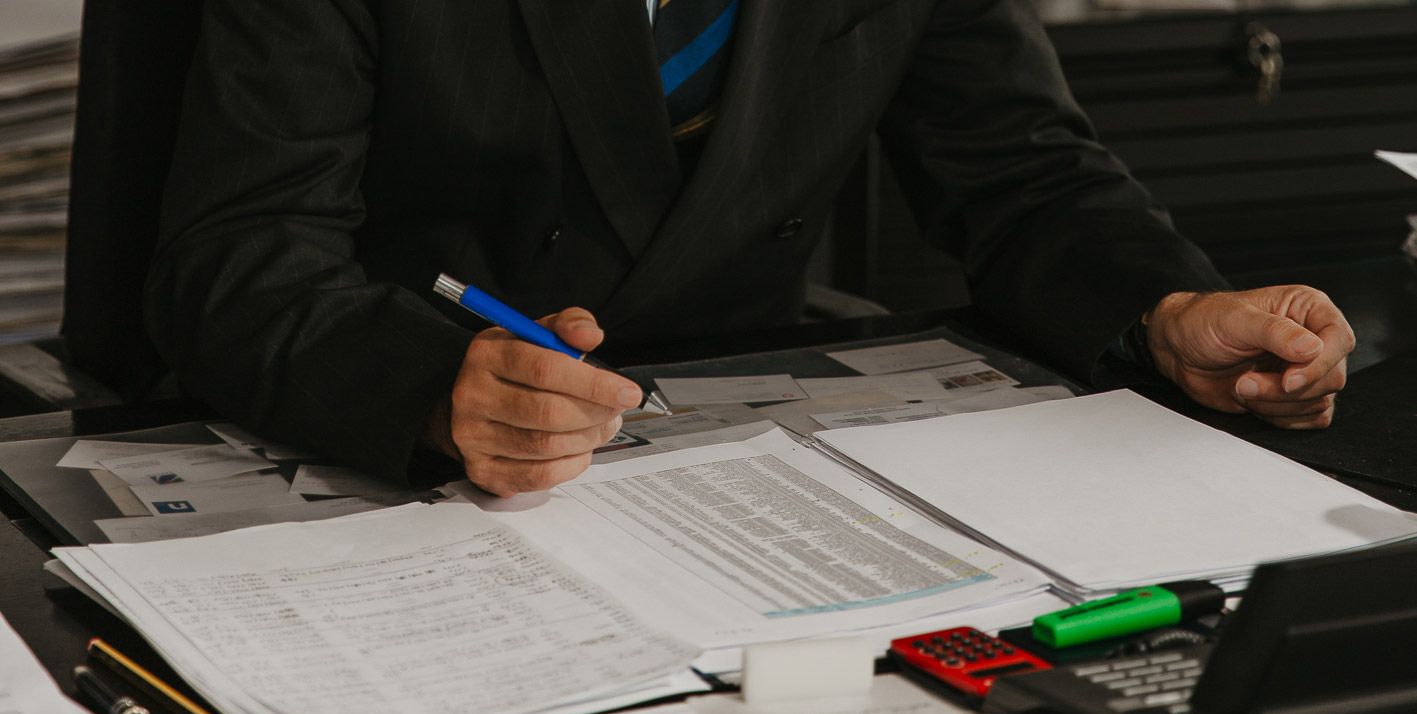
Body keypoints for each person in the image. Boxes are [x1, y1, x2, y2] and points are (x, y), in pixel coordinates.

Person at [147, 0, 1354, 497]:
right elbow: (241, 250)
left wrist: (1163, 309)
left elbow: (1023, 172)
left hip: (743, 438)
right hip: (405, 450)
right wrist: (429, 389)